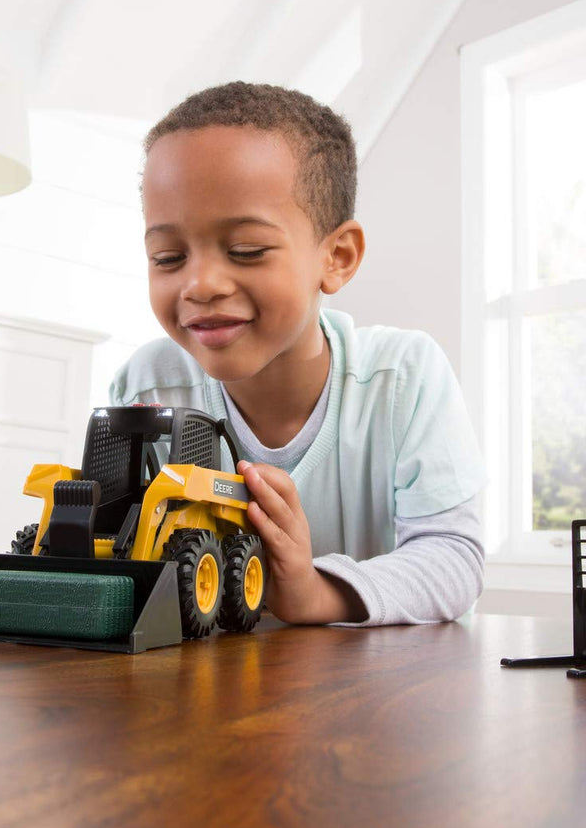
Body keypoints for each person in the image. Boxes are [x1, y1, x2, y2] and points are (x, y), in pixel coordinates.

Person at [109, 82, 485, 626]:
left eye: (246, 251)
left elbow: (453, 560)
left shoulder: (403, 377)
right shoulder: (146, 386)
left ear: (337, 256)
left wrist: (313, 591)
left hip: (376, 694)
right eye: (167, 257)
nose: (201, 284)